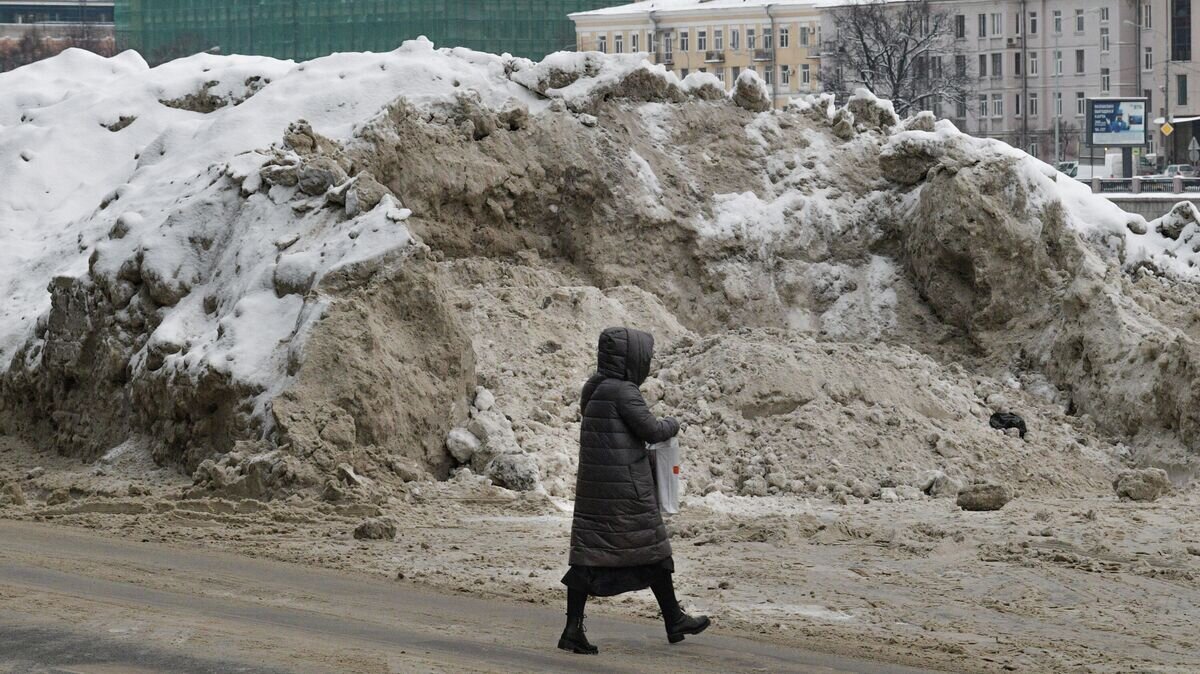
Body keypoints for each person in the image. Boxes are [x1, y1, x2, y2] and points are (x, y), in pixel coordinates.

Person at [558, 327, 710, 655]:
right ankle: (673, 619)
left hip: (596, 491)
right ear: (631, 358)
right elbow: (652, 430)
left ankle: (575, 629)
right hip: (625, 492)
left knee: (589, 556)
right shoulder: (624, 392)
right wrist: (674, 423)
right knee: (654, 550)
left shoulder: (594, 388)